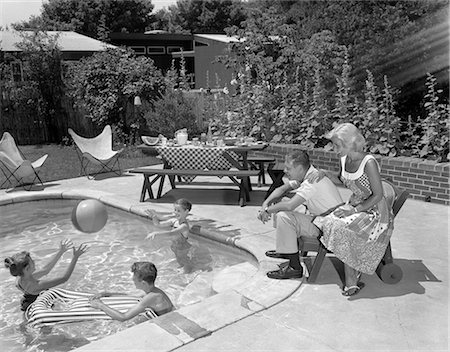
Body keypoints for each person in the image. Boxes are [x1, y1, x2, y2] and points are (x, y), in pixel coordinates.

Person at [314, 122, 394, 296]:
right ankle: (354, 264)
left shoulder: (368, 163)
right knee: (328, 221)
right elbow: (343, 180)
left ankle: (352, 279)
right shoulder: (344, 159)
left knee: (342, 227)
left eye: (337, 145)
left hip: (374, 211)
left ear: (350, 143)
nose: (334, 149)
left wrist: (354, 210)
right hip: (356, 205)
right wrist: (326, 173)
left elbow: (378, 195)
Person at [257, 150, 343, 280]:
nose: (285, 170)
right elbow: (281, 189)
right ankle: (286, 250)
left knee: (284, 215)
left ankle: (295, 268)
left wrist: (267, 211)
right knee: (281, 204)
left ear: (300, 168)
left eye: (288, 168)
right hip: (323, 221)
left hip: (329, 229)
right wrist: (266, 203)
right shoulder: (308, 174)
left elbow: (290, 206)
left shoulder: (312, 181)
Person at [4, 240, 88, 311]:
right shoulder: (36, 285)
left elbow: (45, 270)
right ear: (27, 269)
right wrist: (75, 257)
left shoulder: (20, 278)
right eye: (32, 261)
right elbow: (64, 278)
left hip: (26, 304)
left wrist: (61, 251)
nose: (34, 262)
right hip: (40, 308)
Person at [89, 261, 174, 321]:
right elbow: (130, 295)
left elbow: (123, 318)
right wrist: (107, 293)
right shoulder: (153, 291)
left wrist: (100, 305)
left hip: (167, 321)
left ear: (143, 283)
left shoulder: (151, 297)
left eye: (135, 278)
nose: (132, 279)